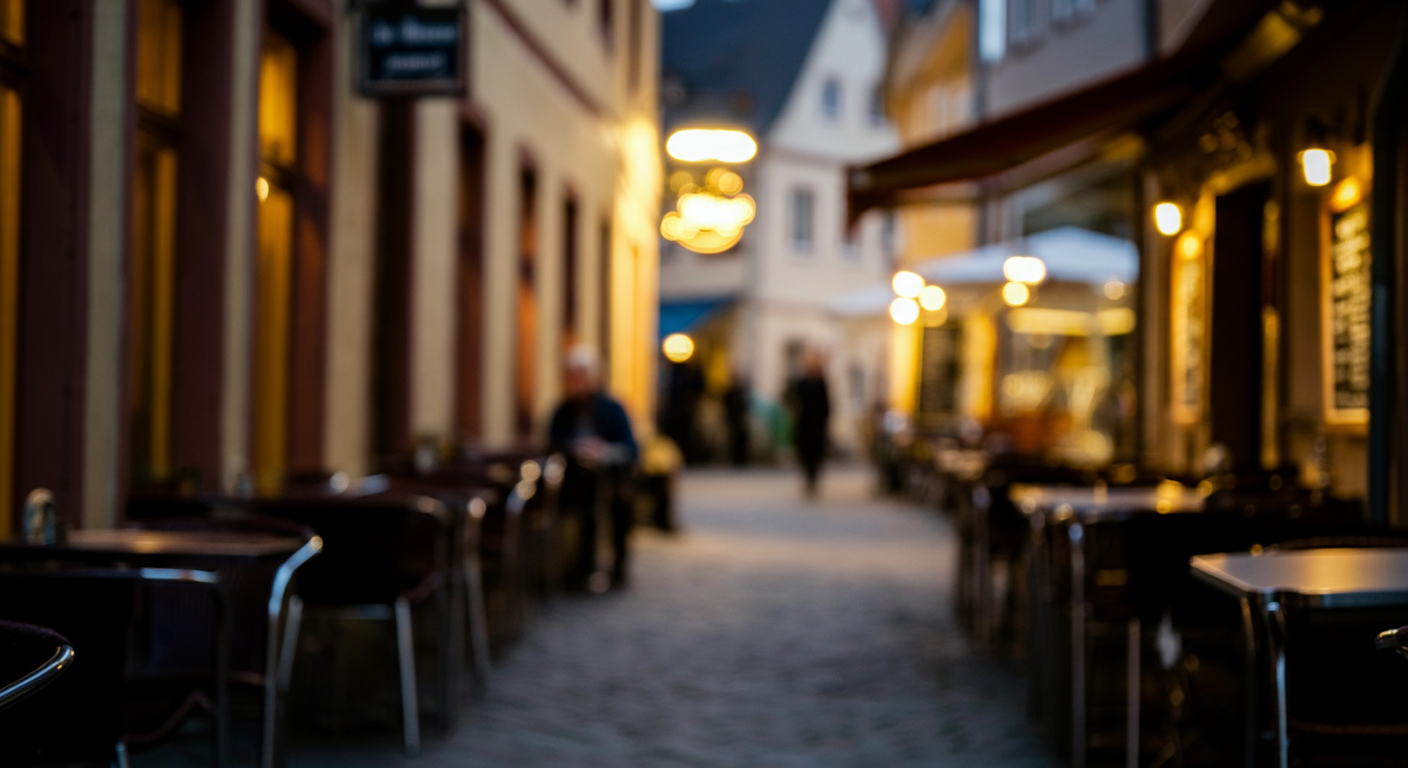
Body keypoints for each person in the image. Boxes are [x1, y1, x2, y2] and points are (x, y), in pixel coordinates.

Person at [548, 346, 638, 590]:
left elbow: (630, 448)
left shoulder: (612, 409)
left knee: (619, 503)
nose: (575, 382)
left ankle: (618, 566)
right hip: (574, 483)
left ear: (592, 377)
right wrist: (574, 447)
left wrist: (603, 449)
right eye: (571, 376)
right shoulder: (563, 411)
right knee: (584, 508)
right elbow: (552, 445)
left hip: (611, 479)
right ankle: (582, 568)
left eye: (580, 376)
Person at [789, 350, 831, 498]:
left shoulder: (821, 382)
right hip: (805, 424)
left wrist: (823, 418)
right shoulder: (802, 383)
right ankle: (808, 479)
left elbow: (827, 404)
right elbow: (795, 401)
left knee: (816, 454)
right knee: (805, 454)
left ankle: (813, 479)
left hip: (817, 425)